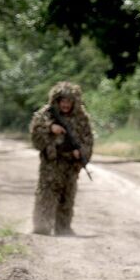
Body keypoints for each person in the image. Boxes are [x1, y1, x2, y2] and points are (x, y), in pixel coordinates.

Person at [30, 81, 94, 236]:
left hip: (70, 165)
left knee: (67, 195)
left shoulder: (81, 118)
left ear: (75, 102)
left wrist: (81, 153)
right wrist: (50, 128)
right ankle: (42, 226)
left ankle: (63, 227)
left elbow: (88, 139)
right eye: (62, 101)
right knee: (46, 193)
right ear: (57, 101)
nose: (65, 104)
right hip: (51, 163)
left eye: (69, 101)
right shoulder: (46, 114)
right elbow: (35, 133)